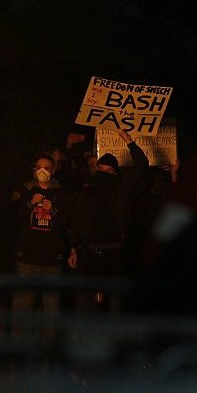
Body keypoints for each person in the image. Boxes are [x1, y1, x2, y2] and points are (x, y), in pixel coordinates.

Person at [69, 129, 148, 311]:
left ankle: (113, 334)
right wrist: (74, 248)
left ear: (114, 173)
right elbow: (78, 219)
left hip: (114, 253)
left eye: (108, 170)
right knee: (85, 298)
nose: (103, 173)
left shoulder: (121, 189)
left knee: (114, 298)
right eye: (100, 169)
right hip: (89, 252)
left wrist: (129, 141)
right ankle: (84, 335)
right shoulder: (87, 193)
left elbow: (142, 165)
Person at [12, 154, 72, 319]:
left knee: (52, 307)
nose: (42, 171)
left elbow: (68, 221)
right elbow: (15, 217)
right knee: (22, 306)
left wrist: (53, 211)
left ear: (52, 170)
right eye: (39, 167)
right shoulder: (25, 190)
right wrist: (30, 203)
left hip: (52, 260)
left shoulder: (61, 193)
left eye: (46, 168)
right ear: (34, 169)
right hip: (27, 259)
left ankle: (49, 342)